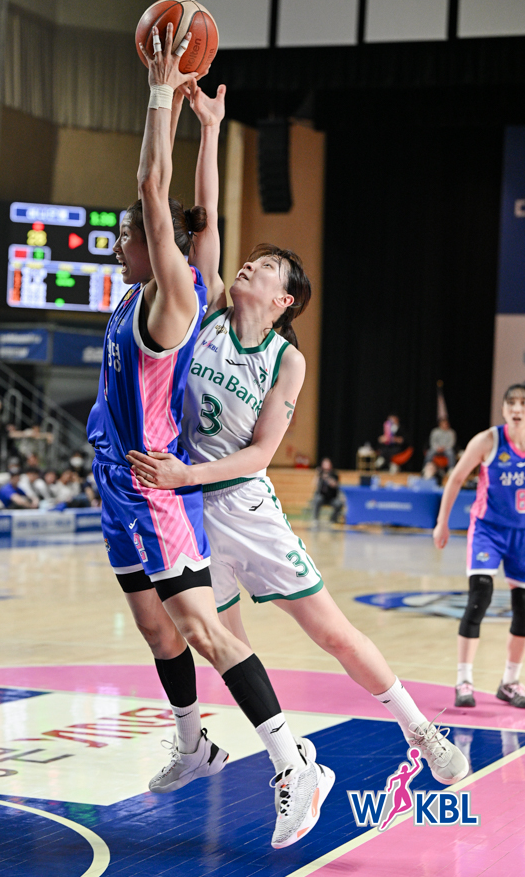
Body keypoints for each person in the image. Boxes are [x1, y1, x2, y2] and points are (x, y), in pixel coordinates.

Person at [127, 77, 468, 790]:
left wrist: (189, 474)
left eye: (266, 266)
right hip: (188, 513)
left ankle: (422, 731)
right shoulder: (207, 311)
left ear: (283, 299)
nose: (248, 263)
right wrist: (211, 128)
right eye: (250, 259)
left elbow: (260, 454)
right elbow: (206, 217)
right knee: (221, 645)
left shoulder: (287, 359)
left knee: (331, 632)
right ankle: (271, 759)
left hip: (241, 506)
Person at [86, 24, 329, 850]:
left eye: (127, 236)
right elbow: (201, 211)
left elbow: (156, 192)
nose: (118, 246)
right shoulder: (138, 293)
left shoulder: (175, 300)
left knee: (204, 631)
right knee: (158, 632)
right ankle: (195, 746)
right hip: (117, 486)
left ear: (152, 245)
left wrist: (161, 92)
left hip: (159, 492)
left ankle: (294, 763)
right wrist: (212, 130)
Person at [433, 383, 525, 709]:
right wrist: (442, 522)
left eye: (523, 403)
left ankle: (510, 682)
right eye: (511, 403)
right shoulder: (489, 440)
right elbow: (457, 478)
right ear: (503, 409)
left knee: (523, 609)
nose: (517, 408)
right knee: (480, 596)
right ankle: (464, 680)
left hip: (522, 534)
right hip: (488, 529)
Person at [312, 457, 343, 524]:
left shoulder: (334, 474)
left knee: (339, 504)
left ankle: (332, 519)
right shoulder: (320, 474)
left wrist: (327, 478)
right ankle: (315, 519)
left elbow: (335, 485)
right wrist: (317, 475)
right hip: (322, 497)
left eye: (327, 464)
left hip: (332, 498)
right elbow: (314, 484)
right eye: (324, 464)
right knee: (317, 500)